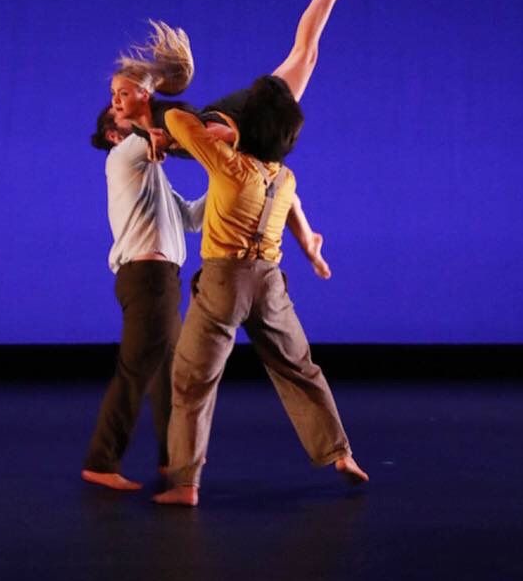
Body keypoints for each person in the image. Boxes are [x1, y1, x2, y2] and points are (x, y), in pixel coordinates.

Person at [153, 77, 369, 507]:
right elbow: (293, 208)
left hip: (224, 281)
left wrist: (230, 133)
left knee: (193, 378)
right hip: (269, 284)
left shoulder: (228, 164)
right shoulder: (285, 178)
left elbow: (176, 119)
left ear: (248, 127)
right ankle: (340, 454)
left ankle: (185, 483)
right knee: (299, 368)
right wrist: (310, 249)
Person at [80, 110, 205, 491]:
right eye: (123, 119)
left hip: (161, 280)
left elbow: (191, 218)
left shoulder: (153, 176)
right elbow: (158, 132)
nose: (135, 123)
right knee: (136, 372)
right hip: (148, 278)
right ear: (113, 135)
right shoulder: (123, 156)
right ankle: (102, 461)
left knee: (168, 375)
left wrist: (225, 178)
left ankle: (171, 460)